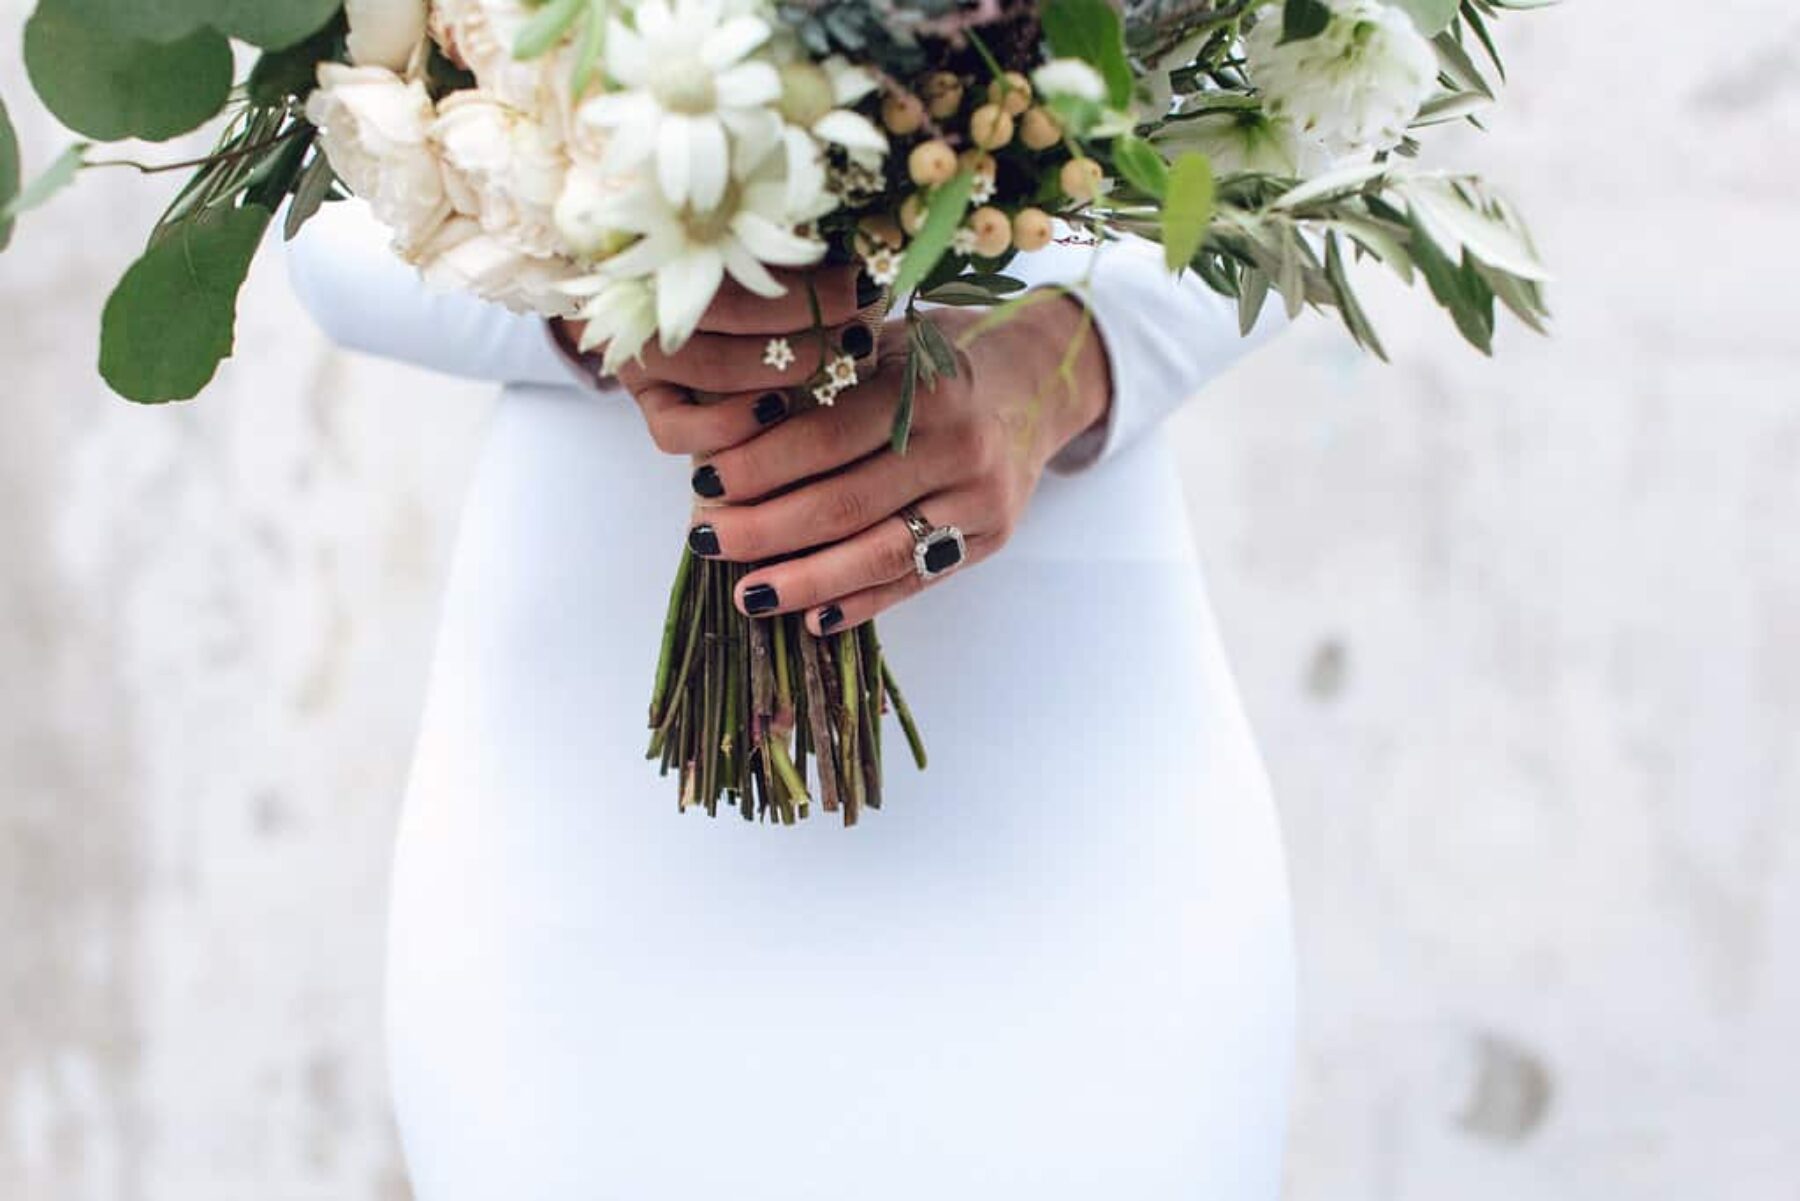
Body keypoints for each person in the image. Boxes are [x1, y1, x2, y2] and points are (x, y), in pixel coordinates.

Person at [288, 201, 1297, 1199]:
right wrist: (599, 293)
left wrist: (1065, 351)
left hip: (1076, 792)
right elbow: (323, 221)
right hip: (591, 830)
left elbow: (1309, 179)